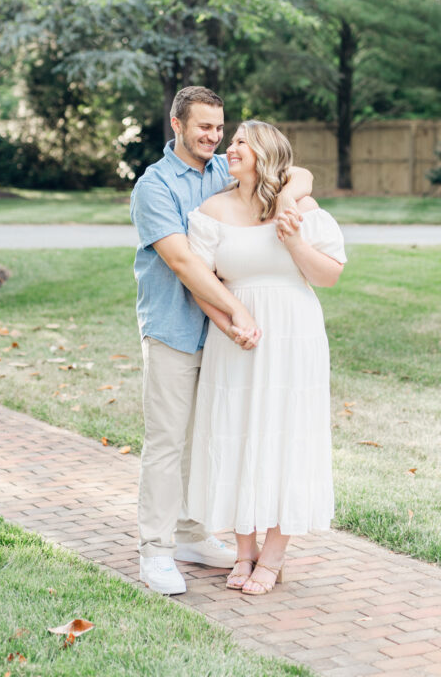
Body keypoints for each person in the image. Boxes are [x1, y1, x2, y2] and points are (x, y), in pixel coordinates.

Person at [130, 88, 314, 595]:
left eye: (219, 127)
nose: (213, 137)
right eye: (202, 127)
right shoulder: (155, 186)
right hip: (173, 327)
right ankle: (156, 550)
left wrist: (289, 203)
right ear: (176, 124)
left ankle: (190, 534)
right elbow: (184, 262)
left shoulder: (221, 170)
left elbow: (296, 173)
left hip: (223, 339)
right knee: (167, 442)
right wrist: (238, 310)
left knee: (205, 437)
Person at [185, 120, 346, 595]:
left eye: (240, 142)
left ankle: (272, 558)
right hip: (237, 341)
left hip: (295, 337)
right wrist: (230, 327)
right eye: (230, 140)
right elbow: (201, 283)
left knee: (288, 438)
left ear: (265, 153)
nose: (229, 148)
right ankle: (243, 551)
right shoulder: (211, 211)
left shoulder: (302, 208)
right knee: (236, 435)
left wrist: (293, 237)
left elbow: (329, 276)